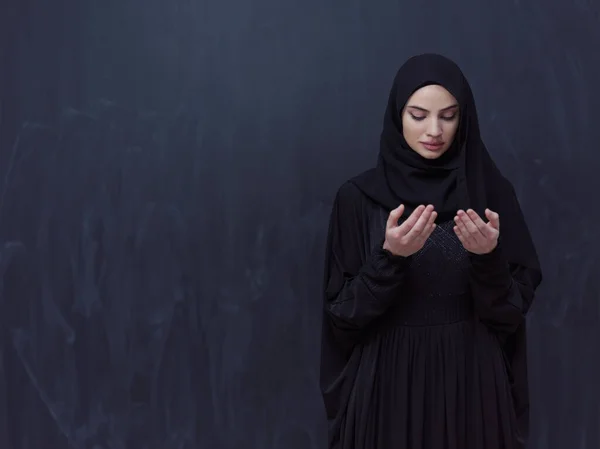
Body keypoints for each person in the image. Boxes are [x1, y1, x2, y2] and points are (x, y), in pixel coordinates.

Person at [319, 53, 543, 449]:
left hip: (472, 382)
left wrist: (487, 258)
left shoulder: (490, 195)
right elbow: (342, 316)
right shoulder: (358, 199)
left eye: (449, 116)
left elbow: (509, 315)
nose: (434, 130)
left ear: (464, 118)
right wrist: (390, 258)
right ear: (397, 116)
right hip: (388, 385)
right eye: (418, 115)